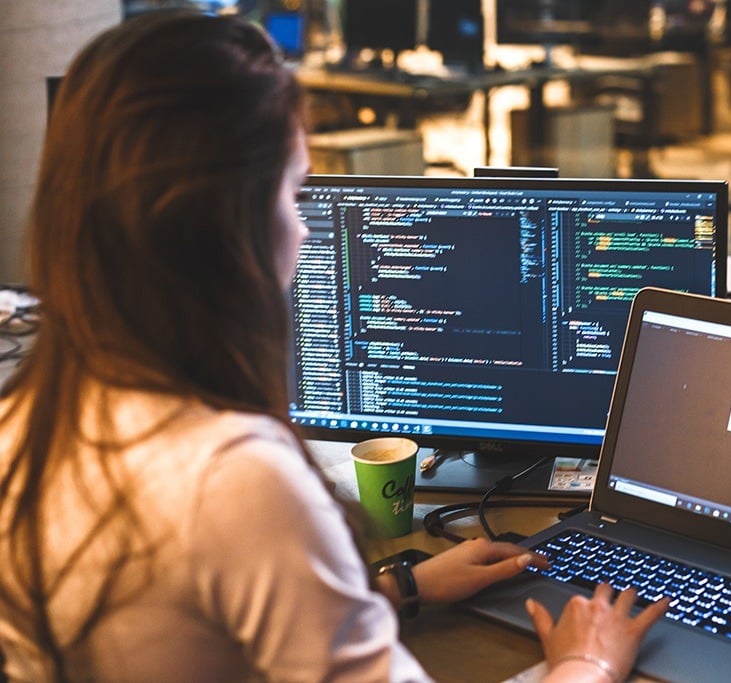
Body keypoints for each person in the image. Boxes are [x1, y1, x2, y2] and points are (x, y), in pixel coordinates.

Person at [0, 10, 666, 683]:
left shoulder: (21, 424)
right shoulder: (235, 480)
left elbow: (195, 625)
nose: (308, 232)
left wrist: (398, 589)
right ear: (230, 230)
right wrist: (590, 663)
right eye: (296, 193)